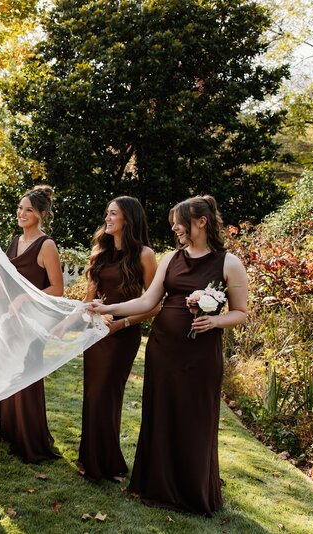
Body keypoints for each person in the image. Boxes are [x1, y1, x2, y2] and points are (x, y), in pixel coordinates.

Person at [90, 195, 248, 515]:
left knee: (194, 420)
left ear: (201, 222)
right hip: (163, 351)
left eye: (180, 221)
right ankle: (156, 485)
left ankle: (190, 492)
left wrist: (215, 320)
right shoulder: (171, 259)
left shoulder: (228, 263)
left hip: (201, 357)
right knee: (160, 416)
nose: (175, 227)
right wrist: (107, 307)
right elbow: (147, 302)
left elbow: (242, 313)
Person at [0, 185, 63, 463]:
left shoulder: (46, 245)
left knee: (27, 376)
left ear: (41, 214)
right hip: (10, 319)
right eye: (20, 208)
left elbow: (57, 289)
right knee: (11, 374)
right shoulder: (14, 242)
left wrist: (24, 298)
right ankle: (11, 431)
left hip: (33, 321)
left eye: (28, 210)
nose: (21, 213)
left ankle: (31, 439)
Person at [78, 196, 158, 481]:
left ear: (128, 219)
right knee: (92, 395)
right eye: (107, 213)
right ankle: (91, 459)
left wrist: (121, 324)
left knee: (107, 396)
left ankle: (105, 463)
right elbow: (90, 296)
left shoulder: (145, 255)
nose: (108, 219)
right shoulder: (100, 251)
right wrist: (82, 319)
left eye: (113, 214)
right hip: (96, 333)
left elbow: (155, 303)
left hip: (122, 335)